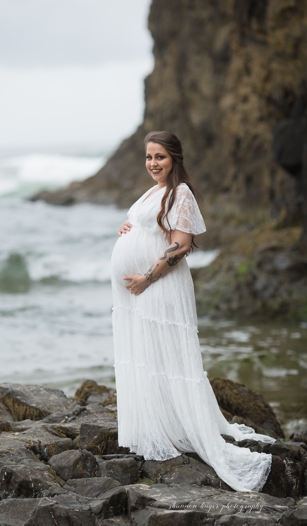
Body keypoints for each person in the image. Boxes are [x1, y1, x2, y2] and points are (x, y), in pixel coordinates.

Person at [111, 131, 272, 492]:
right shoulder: (153, 192)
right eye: (149, 156)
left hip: (159, 286)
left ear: (175, 158)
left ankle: (179, 429)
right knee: (148, 354)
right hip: (140, 291)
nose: (153, 163)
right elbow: (149, 228)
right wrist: (128, 227)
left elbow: (181, 245)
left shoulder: (180, 192)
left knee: (164, 355)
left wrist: (146, 278)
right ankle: (160, 424)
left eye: (160, 157)